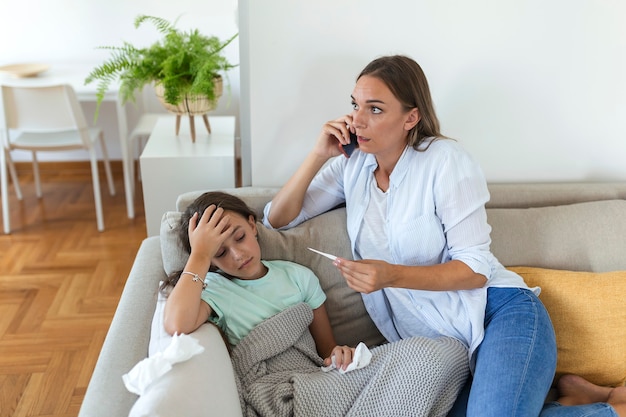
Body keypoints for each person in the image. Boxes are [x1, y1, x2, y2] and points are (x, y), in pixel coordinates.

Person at [262, 54, 625, 417]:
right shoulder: (351, 166)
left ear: (411, 117)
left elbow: (476, 268)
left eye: (374, 109)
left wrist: (390, 274)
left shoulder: (444, 161)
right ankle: (584, 399)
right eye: (355, 105)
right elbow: (277, 219)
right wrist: (317, 153)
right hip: (447, 352)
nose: (357, 120)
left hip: (497, 316)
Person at [161, 191, 356, 371]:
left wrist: (340, 354)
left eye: (240, 237)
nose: (238, 255)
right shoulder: (211, 290)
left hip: (315, 376)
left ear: (252, 225)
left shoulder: (299, 277)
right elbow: (177, 324)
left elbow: (327, 352)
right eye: (220, 252)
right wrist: (200, 255)